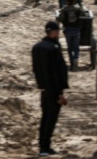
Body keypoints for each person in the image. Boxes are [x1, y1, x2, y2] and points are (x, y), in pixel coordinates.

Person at [32, 20, 68, 157]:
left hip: (43, 88)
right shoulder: (53, 48)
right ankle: (45, 146)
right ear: (54, 32)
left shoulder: (37, 47)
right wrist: (60, 93)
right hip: (54, 89)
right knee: (51, 119)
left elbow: (36, 69)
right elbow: (57, 72)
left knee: (45, 117)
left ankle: (42, 145)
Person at [58, 0, 88, 71]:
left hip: (67, 30)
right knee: (76, 47)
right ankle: (76, 58)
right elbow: (84, 15)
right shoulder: (78, 8)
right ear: (75, 0)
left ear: (66, 1)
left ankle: (71, 63)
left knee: (69, 47)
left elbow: (60, 18)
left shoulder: (64, 10)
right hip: (76, 29)